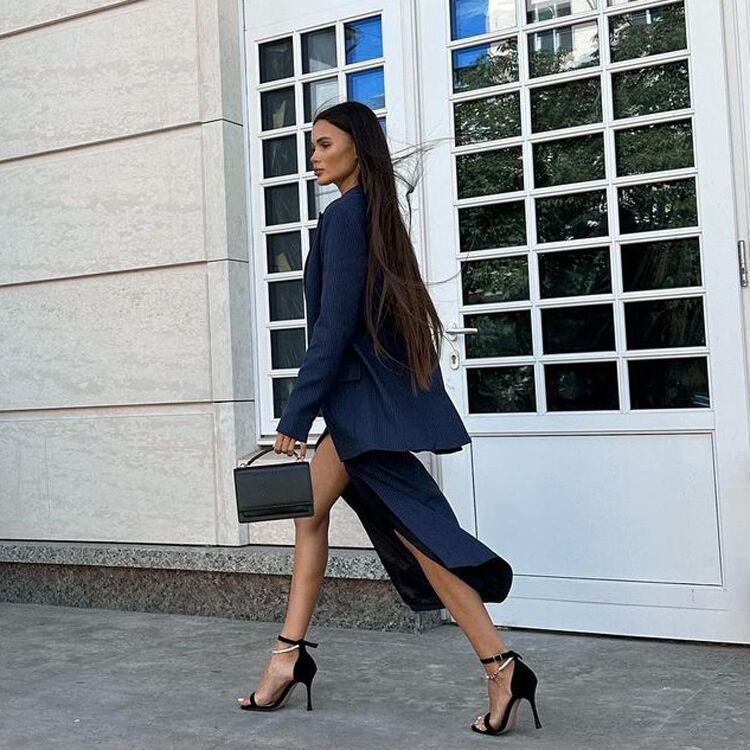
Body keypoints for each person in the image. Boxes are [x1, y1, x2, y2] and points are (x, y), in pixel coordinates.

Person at [237, 101, 542, 736]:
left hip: (359, 416)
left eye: (325, 144)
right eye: (312, 145)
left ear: (358, 147)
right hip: (361, 410)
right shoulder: (372, 214)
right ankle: (288, 656)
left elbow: (333, 328)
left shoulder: (346, 216)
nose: (313, 157)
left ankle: (500, 664)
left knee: (420, 538)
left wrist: (298, 411)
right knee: (315, 515)